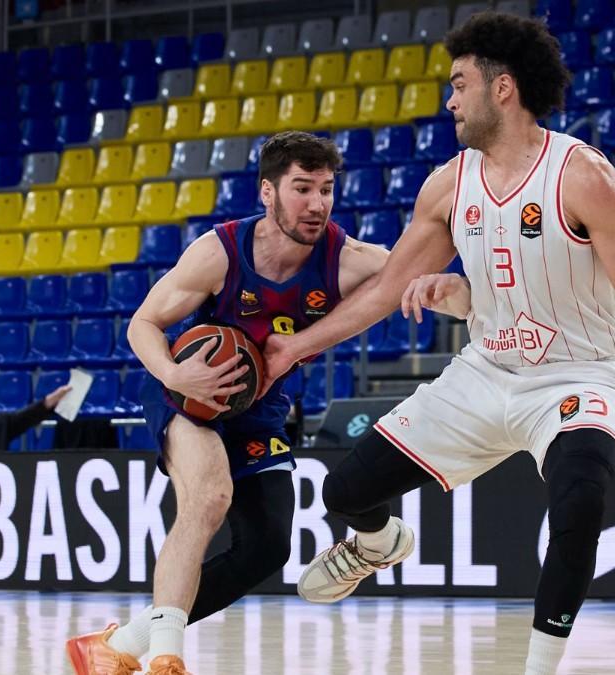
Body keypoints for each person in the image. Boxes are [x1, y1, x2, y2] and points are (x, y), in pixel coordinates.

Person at [260, 13, 615, 675]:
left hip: (576, 377)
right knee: (343, 491)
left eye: (459, 84)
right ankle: (379, 544)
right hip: (484, 371)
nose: (449, 99)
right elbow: (387, 288)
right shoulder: (448, 184)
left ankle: (538, 666)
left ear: (502, 89)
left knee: (580, 500)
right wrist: (295, 347)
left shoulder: (583, 176)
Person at [66, 131, 389, 675]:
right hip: (189, 393)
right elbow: (142, 323)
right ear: (268, 191)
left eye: (327, 190)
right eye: (302, 188)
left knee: (266, 549)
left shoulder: (350, 260)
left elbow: (425, 276)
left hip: (257, 409)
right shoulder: (220, 250)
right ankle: (166, 657)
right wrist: (173, 372)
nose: (316, 204)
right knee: (209, 495)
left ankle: (118, 645)